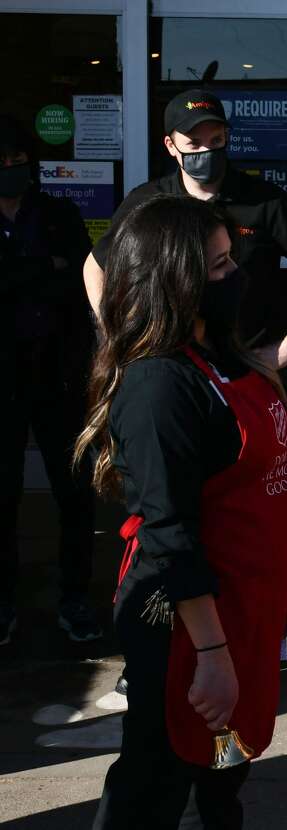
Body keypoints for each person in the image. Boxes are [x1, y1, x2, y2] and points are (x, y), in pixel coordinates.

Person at [75, 194, 287, 828]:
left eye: (232, 261)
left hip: (246, 608)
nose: (237, 278)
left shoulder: (226, 361)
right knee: (156, 780)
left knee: (224, 773)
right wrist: (211, 654)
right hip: (188, 624)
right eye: (219, 268)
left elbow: (264, 493)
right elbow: (170, 533)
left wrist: (281, 580)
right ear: (174, 282)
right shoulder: (159, 385)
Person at [82, 89, 287, 370]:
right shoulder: (149, 202)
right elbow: (95, 266)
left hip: (245, 364)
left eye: (216, 140)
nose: (206, 151)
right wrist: (115, 335)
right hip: (169, 365)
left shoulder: (265, 201)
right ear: (171, 146)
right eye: (194, 144)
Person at [0, 115, 100, 644]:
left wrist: (29, 271)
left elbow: (79, 277)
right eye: (3, 165)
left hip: (58, 375)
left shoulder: (57, 213)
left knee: (73, 492)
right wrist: (45, 268)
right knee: (3, 493)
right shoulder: (48, 232)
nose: (12, 173)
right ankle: (3, 604)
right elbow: (51, 274)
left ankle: (76, 598)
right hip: (4, 380)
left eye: (18, 163)